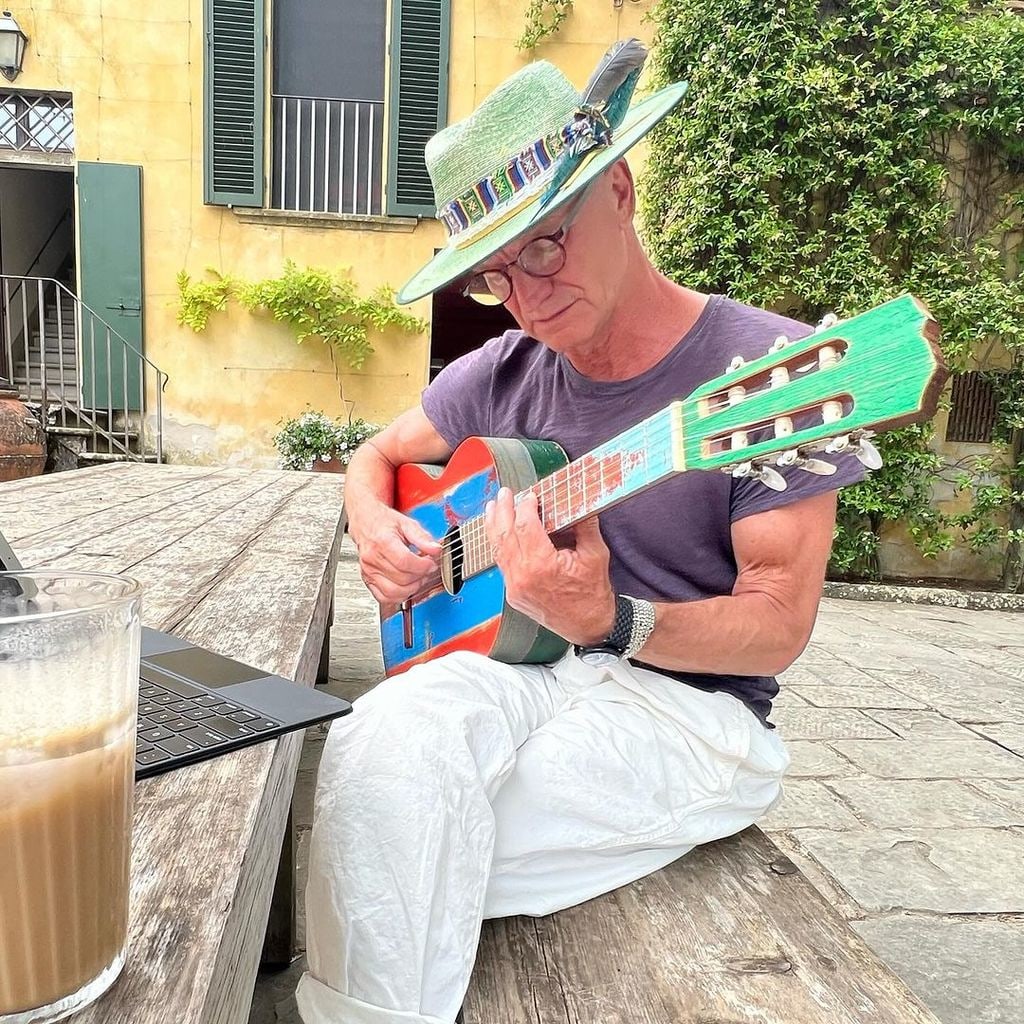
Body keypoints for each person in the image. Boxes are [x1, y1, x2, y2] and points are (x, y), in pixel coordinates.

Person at [296, 41, 863, 1024]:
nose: (525, 293)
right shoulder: (503, 370)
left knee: (382, 835)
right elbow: (370, 455)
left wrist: (615, 618)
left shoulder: (769, 370)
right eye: (494, 276)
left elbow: (777, 624)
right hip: (522, 663)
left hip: (692, 710)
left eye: (545, 243)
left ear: (622, 190)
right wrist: (376, 527)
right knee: (376, 750)